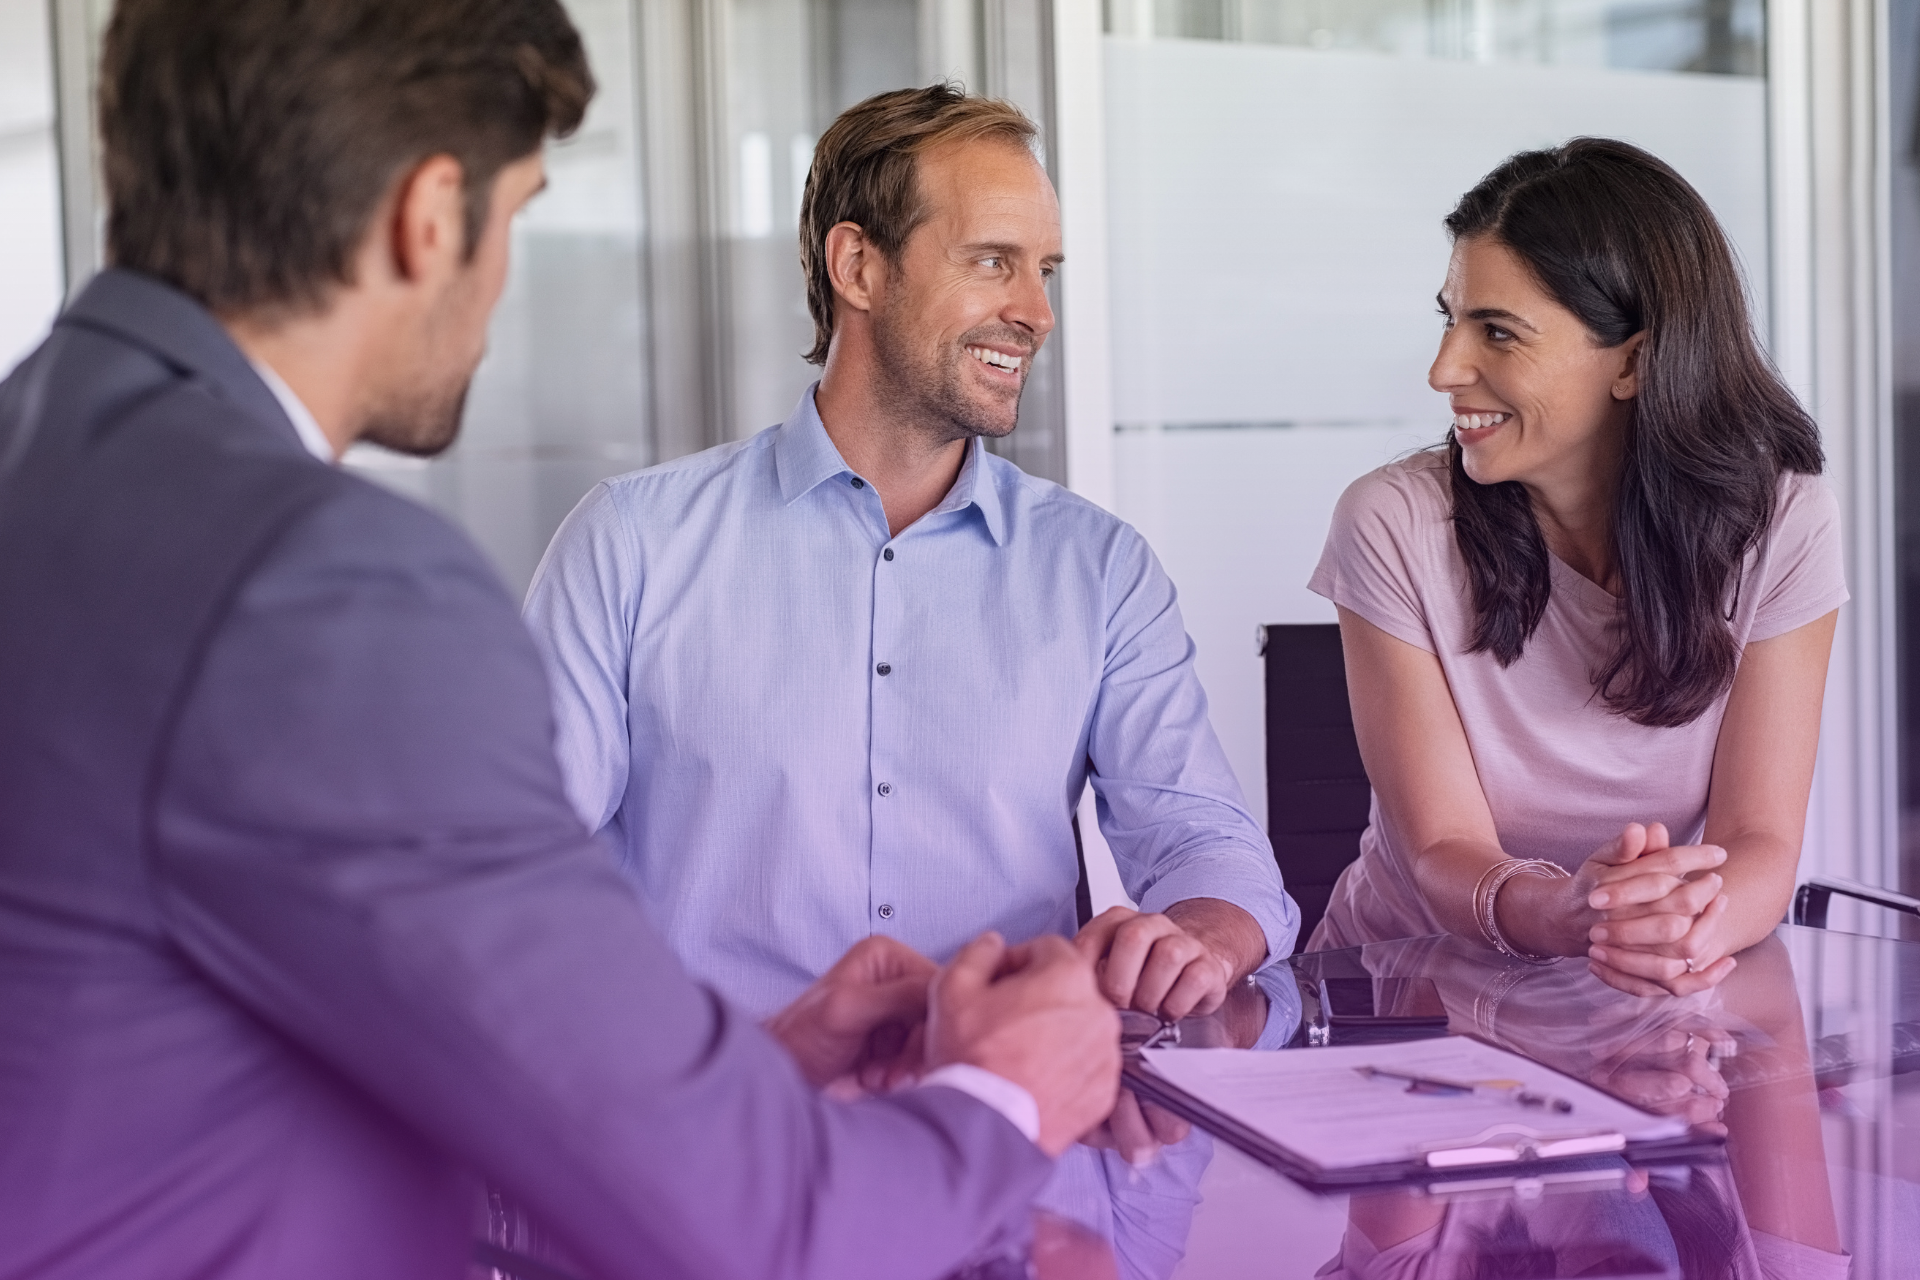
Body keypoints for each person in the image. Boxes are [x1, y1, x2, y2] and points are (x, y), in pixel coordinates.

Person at [0, 4, 1124, 1278]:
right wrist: (1006, 1093)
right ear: (431, 215)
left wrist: (730, 1076)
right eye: (519, 211)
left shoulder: (39, 455)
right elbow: (766, 1227)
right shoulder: (319, 584)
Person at [521, 83, 1297, 1162]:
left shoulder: (1098, 568)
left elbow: (1214, 849)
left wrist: (1198, 938)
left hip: (1009, 1155)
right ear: (858, 268)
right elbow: (520, 878)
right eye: (992, 259)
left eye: (1046, 269)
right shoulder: (632, 544)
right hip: (712, 1149)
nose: (1036, 309)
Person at [1307, 138, 1846, 998]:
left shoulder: (1781, 525)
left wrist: (1671, 932)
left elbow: (1759, 842)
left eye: (1497, 331)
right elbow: (1442, 848)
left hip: (1641, 994)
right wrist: (1570, 913)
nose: (1445, 368)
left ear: (1632, 360)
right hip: (1408, 1001)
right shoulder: (1391, 522)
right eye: (1449, 318)